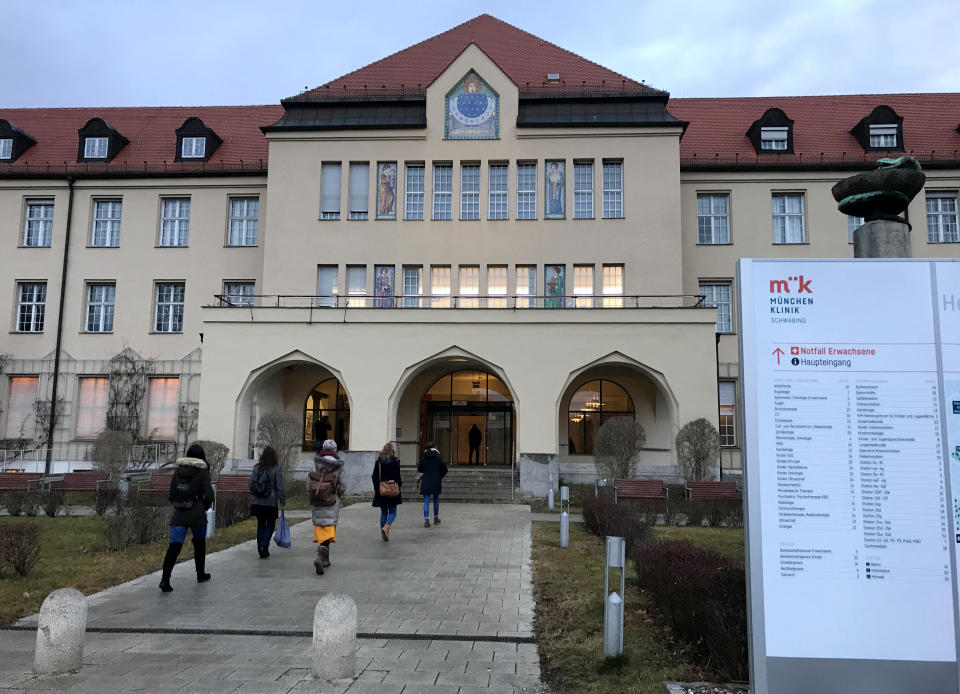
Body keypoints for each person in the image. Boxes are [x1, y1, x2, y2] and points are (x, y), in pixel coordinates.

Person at [159, 443, 215, 593]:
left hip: (179, 514)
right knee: (199, 544)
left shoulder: (178, 471)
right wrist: (203, 507)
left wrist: (179, 505)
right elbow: (210, 495)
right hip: (197, 514)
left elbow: (171, 494)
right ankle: (200, 574)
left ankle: (165, 579)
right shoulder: (202, 472)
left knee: (174, 546)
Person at [311, 439, 345, 575]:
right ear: (335, 450)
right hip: (331, 499)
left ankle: (325, 559)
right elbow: (343, 485)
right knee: (329, 527)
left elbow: (309, 480)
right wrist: (339, 494)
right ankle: (321, 555)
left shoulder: (316, 463)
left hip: (318, 498)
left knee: (321, 527)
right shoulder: (339, 466)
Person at [249, 445, 286, 559]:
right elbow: (279, 486)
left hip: (257, 501)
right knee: (270, 524)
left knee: (261, 524)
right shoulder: (277, 468)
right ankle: (264, 546)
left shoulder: (256, 467)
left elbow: (251, 484)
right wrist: (282, 500)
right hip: (270, 502)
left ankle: (260, 547)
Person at [371, 442, 402, 541]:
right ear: (392, 451)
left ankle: (383, 531)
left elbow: (374, 477)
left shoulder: (378, 462)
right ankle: (386, 527)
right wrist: (398, 487)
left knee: (384, 512)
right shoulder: (395, 462)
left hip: (381, 490)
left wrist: (377, 489)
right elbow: (398, 477)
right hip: (392, 490)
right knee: (393, 512)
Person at [417, 441, 447, 527]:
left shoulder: (424, 457)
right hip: (436, 481)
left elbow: (420, 469)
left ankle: (426, 520)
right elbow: (445, 469)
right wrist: (439, 476)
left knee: (426, 500)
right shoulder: (438, 457)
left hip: (426, 480)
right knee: (436, 499)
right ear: (435, 447)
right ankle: (436, 518)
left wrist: (426, 470)